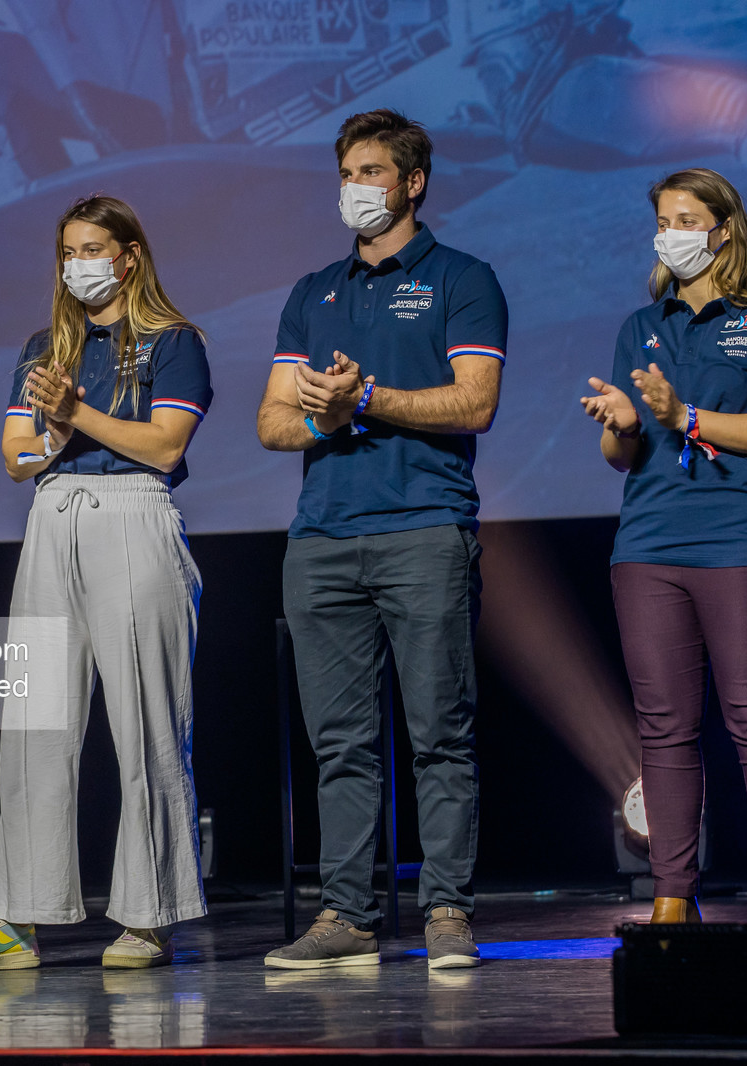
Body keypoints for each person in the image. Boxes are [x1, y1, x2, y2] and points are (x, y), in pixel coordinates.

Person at [0, 195, 213, 971]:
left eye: (93, 248)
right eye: (67, 251)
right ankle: (14, 919)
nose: (77, 264)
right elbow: (15, 455)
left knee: (146, 725)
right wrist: (52, 430)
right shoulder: (43, 347)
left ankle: (148, 916)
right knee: (34, 727)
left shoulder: (172, 340)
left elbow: (163, 445)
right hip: (53, 516)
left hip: (132, 514)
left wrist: (74, 415)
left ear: (128, 255)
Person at [257, 109, 507, 971]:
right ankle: (348, 916)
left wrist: (366, 401)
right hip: (322, 540)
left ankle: (445, 910)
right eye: (346, 173)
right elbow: (271, 423)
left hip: (425, 531)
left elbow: (474, 403)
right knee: (341, 744)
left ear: (412, 182)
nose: (355, 188)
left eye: (371, 172)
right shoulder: (311, 289)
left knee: (440, 731)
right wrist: (326, 413)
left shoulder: (463, 279)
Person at [580, 168, 747, 925]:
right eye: (663, 219)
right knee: (665, 728)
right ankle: (673, 899)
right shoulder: (640, 327)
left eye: (687, 218)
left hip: (743, 542)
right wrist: (620, 422)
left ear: (723, 228)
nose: (672, 233)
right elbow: (625, 458)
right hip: (648, 547)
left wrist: (685, 415)